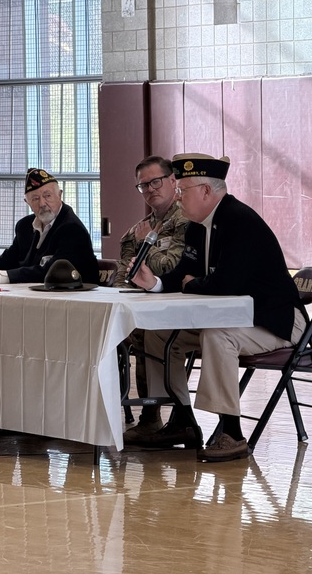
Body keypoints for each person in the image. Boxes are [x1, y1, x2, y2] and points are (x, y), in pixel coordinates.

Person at [126, 153, 304, 462]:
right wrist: (153, 282)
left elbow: (226, 284)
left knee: (218, 336)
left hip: (277, 321)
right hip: (235, 318)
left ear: (206, 191)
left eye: (182, 190)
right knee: (159, 334)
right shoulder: (197, 226)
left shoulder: (240, 221)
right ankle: (181, 420)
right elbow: (184, 274)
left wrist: (192, 283)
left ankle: (232, 433)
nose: (177, 197)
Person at [117, 156, 189, 440]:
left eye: (155, 182)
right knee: (113, 328)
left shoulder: (185, 220)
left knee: (148, 332)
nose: (149, 189)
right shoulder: (141, 227)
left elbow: (171, 267)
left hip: (178, 305)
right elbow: (124, 273)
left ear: (172, 181)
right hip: (146, 303)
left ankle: (153, 415)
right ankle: (139, 414)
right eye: (143, 185)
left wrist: (147, 243)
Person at [0, 168, 99, 285]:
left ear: (60, 195)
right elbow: (8, 260)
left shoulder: (72, 229)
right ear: (27, 202)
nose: (42, 203)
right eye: (35, 198)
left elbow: (50, 273)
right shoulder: (25, 226)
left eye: (47, 196)